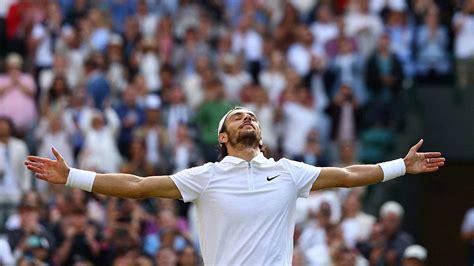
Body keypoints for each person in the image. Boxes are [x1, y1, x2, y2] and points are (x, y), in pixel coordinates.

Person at [24, 106, 445, 265]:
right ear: (222, 137)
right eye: (237, 117)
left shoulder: (288, 171)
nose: (247, 118)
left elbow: (350, 176)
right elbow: (136, 185)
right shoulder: (204, 177)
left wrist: (401, 167)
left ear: (260, 134)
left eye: (252, 117)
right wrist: (72, 177)